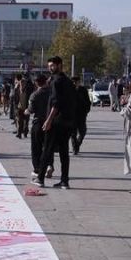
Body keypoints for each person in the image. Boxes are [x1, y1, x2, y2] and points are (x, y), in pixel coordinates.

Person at [41, 56, 76, 189]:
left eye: (53, 65)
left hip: (56, 121)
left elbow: (56, 103)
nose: (50, 68)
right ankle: (64, 181)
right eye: (49, 65)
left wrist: (48, 120)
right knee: (64, 152)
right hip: (68, 121)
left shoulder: (56, 81)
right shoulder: (68, 81)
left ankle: (40, 178)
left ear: (60, 65)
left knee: (47, 149)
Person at [27, 74, 51, 184]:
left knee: (36, 147)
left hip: (38, 123)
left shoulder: (35, 95)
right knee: (47, 147)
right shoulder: (52, 93)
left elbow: (31, 110)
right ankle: (50, 165)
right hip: (50, 122)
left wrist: (26, 111)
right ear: (46, 81)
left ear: (36, 83)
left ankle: (37, 169)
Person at [73, 77, 92, 154]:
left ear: (79, 82)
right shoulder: (69, 90)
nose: (74, 83)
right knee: (73, 133)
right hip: (72, 115)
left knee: (83, 131)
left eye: (76, 82)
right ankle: (75, 149)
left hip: (82, 114)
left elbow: (88, 101)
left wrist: (86, 110)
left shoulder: (83, 90)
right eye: (73, 82)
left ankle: (77, 144)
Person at [14, 73, 34, 140]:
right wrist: (16, 105)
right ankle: (19, 133)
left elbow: (31, 97)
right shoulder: (17, 89)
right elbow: (15, 97)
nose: (22, 84)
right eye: (21, 83)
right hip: (19, 107)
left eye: (23, 83)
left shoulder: (28, 90)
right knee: (20, 121)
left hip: (26, 107)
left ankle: (25, 132)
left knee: (26, 121)